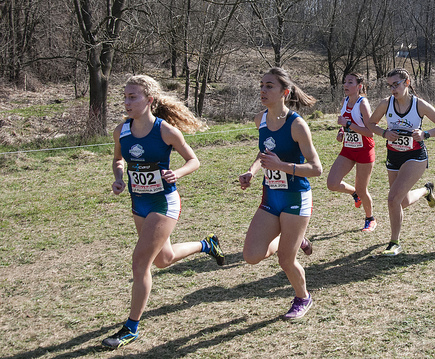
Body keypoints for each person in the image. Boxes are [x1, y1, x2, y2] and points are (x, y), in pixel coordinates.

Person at [102, 75, 225, 349]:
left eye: (133, 96)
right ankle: (207, 244)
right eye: (125, 96)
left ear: (150, 100)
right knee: (163, 259)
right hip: (138, 203)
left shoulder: (165, 131)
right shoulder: (121, 130)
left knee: (140, 263)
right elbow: (118, 159)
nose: (127, 101)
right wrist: (119, 177)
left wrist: (176, 173)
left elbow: (194, 161)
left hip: (163, 203)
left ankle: (131, 327)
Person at [238, 67, 322, 319]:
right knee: (251, 256)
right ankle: (296, 239)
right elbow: (264, 154)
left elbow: (316, 168)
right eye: (261, 85)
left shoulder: (297, 125)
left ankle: (303, 298)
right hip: (270, 197)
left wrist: (282, 166)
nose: (263, 90)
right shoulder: (260, 119)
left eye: (269, 86)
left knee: (286, 260)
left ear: (284, 92)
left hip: (296, 198)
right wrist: (252, 171)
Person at [367, 68, 435, 256]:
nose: (392, 89)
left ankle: (394, 243)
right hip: (393, 156)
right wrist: (384, 133)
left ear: (407, 82)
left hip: (415, 156)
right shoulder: (385, 104)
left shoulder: (419, 105)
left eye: (396, 84)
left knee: (392, 199)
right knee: (401, 201)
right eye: (389, 86)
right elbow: (371, 124)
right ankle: (426, 190)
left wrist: (425, 134)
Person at [327, 72, 377, 231]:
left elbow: (371, 132)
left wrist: (348, 124)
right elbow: (345, 124)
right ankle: (354, 193)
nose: (346, 85)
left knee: (363, 189)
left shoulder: (363, 103)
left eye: (350, 82)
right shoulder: (344, 101)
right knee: (332, 183)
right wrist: (342, 131)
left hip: (364, 150)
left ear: (359, 86)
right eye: (345, 82)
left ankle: (370, 218)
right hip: (348, 149)